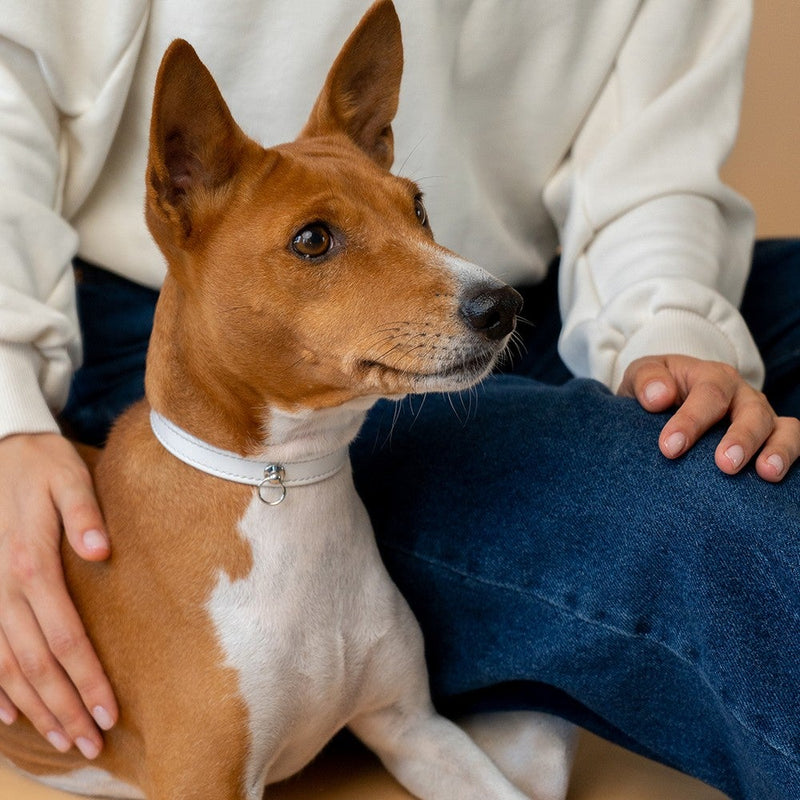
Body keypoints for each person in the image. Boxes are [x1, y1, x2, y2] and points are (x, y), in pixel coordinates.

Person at [0, 1, 798, 797]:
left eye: (410, 202)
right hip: (152, 322)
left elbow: (656, 163)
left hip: (553, 286)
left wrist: (675, 327)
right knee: (705, 499)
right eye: (317, 239)